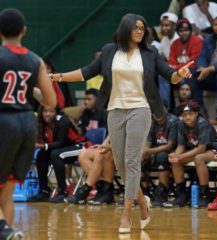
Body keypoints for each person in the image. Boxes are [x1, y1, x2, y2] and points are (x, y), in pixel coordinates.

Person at [49, 13, 193, 233]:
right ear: (126, 28)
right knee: (121, 166)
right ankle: (142, 202)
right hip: (114, 110)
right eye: (136, 28)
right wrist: (58, 77)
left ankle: (126, 214)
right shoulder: (109, 51)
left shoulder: (150, 53)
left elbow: (170, 74)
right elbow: (86, 72)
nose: (140, 32)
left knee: (131, 160)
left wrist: (179, 75)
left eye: (142, 29)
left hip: (141, 109)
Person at [0, 8, 56, 239]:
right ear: (24, 31)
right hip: (26, 124)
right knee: (8, 190)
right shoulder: (35, 60)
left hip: (4, 121)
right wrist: (30, 90)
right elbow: (50, 100)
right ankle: (8, 232)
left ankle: (3, 229)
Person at [163, 100, 217, 207]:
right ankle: (181, 196)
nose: (187, 117)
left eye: (190, 114)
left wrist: (180, 156)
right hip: (198, 150)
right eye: (184, 115)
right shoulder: (181, 124)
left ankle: (204, 195)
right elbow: (181, 146)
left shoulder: (202, 123)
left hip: (216, 149)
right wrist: (176, 155)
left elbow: (201, 149)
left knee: (199, 158)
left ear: (196, 114)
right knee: (176, 162)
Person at [31, 105, 87, 203]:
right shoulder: (41, 122)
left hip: (79, 146)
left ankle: (63, 190)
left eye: (51, 111)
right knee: (41, 155)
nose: (47, 114)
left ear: (56, 112)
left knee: (56, 154)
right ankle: (44, 191)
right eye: (45, 111)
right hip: (62, 149)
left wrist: (43, 146)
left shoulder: (62, 121)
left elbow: (61, 142)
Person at [141, 112, 178, 207]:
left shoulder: (173, 121)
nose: (157, 116)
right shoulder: (151, 122)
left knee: (161, 157)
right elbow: (148, 142)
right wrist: (144, 152)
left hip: (172, 151)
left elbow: (170, 146)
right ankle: (144, 190)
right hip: (155, 150)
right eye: (154, 113)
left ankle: (162, 190)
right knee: (140, 157)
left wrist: (149, 151)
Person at [65, 137, 115, 205]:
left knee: (101, 155)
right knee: (83, 154)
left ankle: (87, 190)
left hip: (125, 148)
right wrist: (103, 145)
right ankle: (101, 187)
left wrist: (111, 146)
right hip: (112, 146)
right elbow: (111, 133)